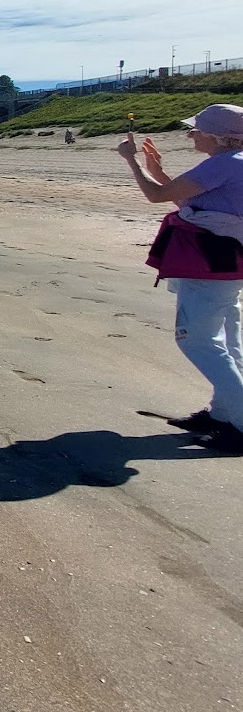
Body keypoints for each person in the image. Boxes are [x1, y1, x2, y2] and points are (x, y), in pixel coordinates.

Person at [119, 104, 243, 452]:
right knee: (226, 340)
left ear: (218, 136)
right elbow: (191, 199)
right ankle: (224, 413)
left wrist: (131, 161)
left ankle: (241, 421)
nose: (191, 135)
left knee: (197, 339)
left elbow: (158, 197)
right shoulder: (233, 163)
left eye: (197, 130)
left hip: (211, 266)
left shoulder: (224, 163)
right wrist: (156, 169)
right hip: (226, 265)